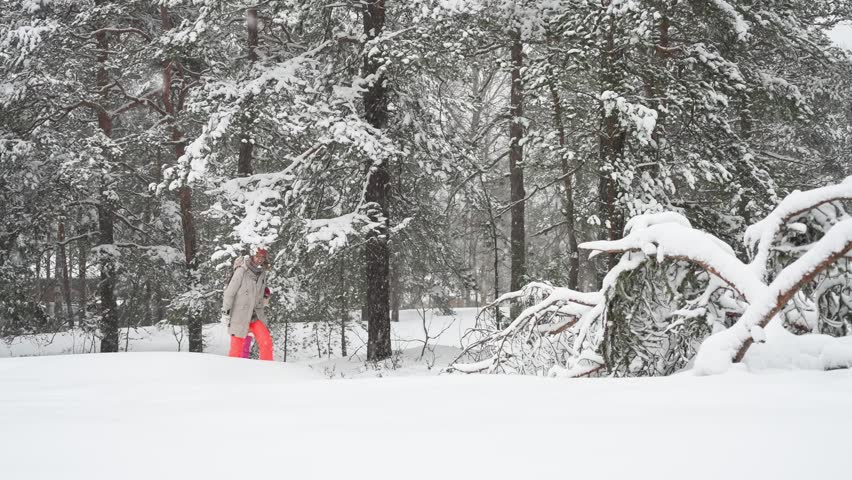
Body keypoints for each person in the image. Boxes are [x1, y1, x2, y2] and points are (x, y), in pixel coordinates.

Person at [221, 247, 273, 360]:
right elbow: (229, 292)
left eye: (263, 257)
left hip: (255, 316)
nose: (260, 259)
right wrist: (226, 312)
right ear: (252, 256)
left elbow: (257, 295)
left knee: (266, 343)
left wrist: (265, 296)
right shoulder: (241, 270)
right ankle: (233, 374)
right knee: (236, 351)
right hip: (240, 315)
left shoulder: (262, 273)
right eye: (257, 256)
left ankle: (269, 372)